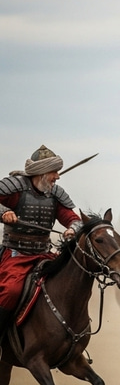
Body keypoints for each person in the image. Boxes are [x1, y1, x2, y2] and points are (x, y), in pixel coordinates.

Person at [0, 145, 82, 345]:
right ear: (42, 172)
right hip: (16, 254)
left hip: (43, 255)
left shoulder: (55, 194)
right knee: (11, 291)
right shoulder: (14, 188)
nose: (58, 177)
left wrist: (72, 228)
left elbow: (74, 219)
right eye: (54, 172)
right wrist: (4, 212)